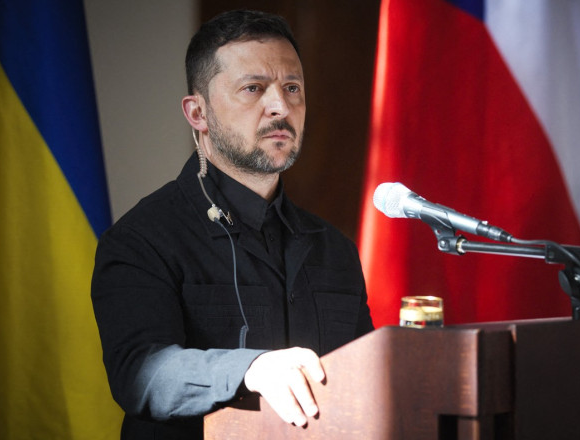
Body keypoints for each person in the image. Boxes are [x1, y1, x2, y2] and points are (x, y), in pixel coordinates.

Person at [91, 9, 374, 439]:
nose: (280, 106)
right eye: (253, 88)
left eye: (292, 88)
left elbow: (365, 379)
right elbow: (140, 373)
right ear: (198, 113)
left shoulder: (334, 248)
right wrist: (252, 369)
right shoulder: (140, 239)